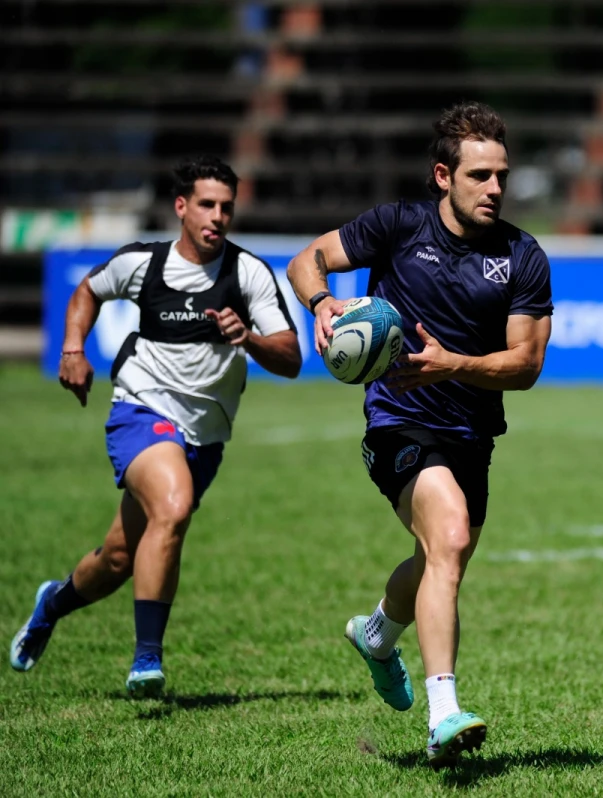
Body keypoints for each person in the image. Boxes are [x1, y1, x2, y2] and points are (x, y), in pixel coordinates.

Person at [285, 101, 553, 768]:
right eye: (480, 175)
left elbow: (525, 367)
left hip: (472, 434)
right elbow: (307, 259)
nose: (496, 188)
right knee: (451, 536)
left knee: (443, 555)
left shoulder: (523, 255)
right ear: (443, 175)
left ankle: (377, 635)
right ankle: (444, 716)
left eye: (503, 176)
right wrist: (322, 302)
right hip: (398, 423)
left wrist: (454, 364)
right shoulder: (398, 226)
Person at [9, 156, 302, 696]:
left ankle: (50, 603)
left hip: (206, 436)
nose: (217, 217)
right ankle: (147, 660)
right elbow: (87, 293)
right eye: (207, 206)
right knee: (173, 506)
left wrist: (250, 339)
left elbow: (289, 356)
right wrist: (73, 349)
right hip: (142, 408)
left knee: (119, 558)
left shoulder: (248, 272)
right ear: (181, 207)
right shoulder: (143, 262)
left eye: (226, 208)